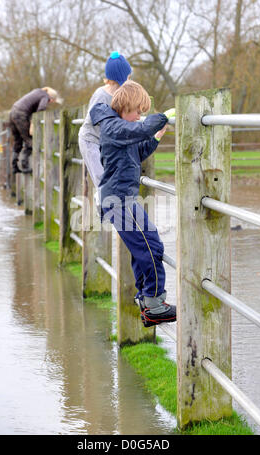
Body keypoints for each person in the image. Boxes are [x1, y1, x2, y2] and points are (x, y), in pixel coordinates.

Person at [90, 81, 176, 327]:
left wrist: (157, 135)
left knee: (147, 246)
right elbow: (139, 130)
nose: (140, 117)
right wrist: (161, 118)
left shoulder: (122, 129)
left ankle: (147, 301)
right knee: (150, 248)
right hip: (119, 200)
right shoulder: (113, 127)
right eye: (138, 111)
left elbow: (138, 150)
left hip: (124, 199)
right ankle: (155, 304)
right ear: (125, 106)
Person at [78, 51, 132, 190]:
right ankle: (104, 208)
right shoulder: (101, 96)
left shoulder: (121, 94)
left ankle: (109, 204)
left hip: (105, 142)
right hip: (91, 141)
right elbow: (98, 120)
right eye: (128, 76)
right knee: (102, 180)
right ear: (120, 77)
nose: (130, 79)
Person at [10, 87, 63, 174]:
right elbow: (41, 109)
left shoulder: (38, 91)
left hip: (13, 112)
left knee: (18, 140)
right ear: (51, 98)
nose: (49, 103)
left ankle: (14, 166)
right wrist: (34, 122)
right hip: (21, 114)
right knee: (30, 140)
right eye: (51, 101)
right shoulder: (45, 96)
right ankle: (25, 165)